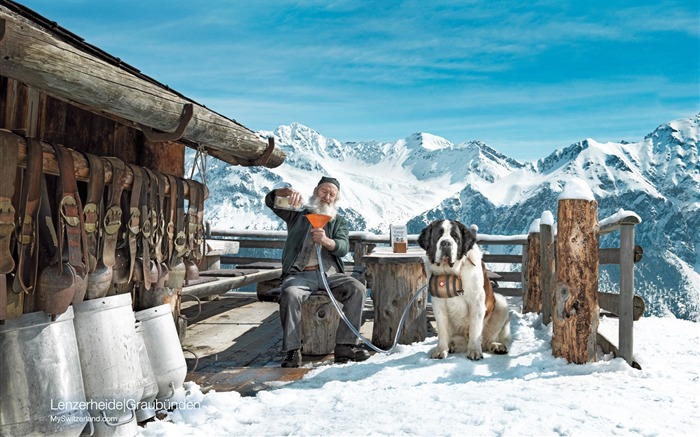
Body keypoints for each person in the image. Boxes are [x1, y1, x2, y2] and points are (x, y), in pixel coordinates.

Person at [265, 176, 370, 367]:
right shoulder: (297, 214)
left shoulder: (339, 221)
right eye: (324, 191)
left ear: (336, 198)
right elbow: (270, 201)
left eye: (332, 194)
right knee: (289, 293)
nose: (327, 197)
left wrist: (327, 241)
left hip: (330, 275)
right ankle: (292, 350)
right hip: (299, 274)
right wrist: (285, 192)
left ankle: (345, 346)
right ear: (315, 191)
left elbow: (343, 247)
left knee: (358, 289)